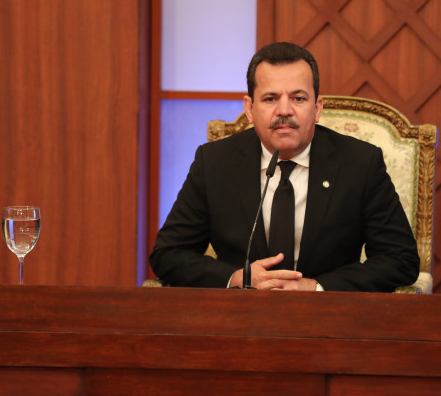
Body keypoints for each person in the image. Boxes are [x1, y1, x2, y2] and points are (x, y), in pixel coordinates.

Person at [149, 42, 420, 291]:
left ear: (317, 108)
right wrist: (237, 278)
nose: (284, 110)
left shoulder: (360, 163)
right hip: (239, 316)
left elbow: (400, 259)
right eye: (270, 99)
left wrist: (317, 288)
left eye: (298, 98)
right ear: (249, 109)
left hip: (329, 317)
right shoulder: (215, 163)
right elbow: (168, 254)